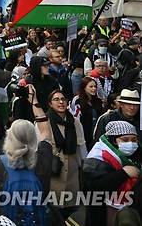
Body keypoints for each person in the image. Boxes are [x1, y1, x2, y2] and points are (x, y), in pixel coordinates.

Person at [83, 121, 142, 226]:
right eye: (125, 140)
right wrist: (124, 173)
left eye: (134, 140)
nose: (131, 143)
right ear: (114, 140)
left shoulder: (135, 154)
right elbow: (94, 186)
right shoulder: (98, 156)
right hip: (104, 211)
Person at [45, 89, 86, 219]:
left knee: (70, 209)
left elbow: (82, 147)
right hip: (53, 174)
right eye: (56, 99)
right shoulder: (44, 123)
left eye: (63, 99)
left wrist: (83, 168)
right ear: (50, 104)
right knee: (53, 212)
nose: (61, 102)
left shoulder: (75, 122)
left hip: (72, 175)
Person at [70, 76, 104, 149]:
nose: (94, 89)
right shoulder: (77, 100)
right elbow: (75, 118)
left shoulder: (98, 101)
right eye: (91, 86)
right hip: (82, 132)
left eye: (95, 86)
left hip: (95, 132)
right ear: (84, 87)